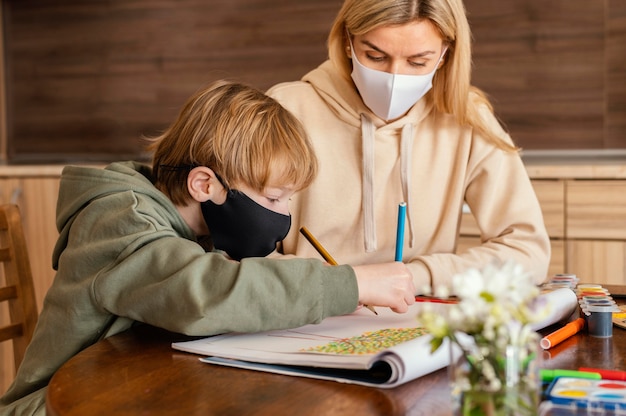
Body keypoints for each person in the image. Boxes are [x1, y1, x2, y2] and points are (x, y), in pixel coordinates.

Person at [0, 80, 415, 415]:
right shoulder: (121, 221)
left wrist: (309, 292)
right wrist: (348, 284)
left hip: (135, 390)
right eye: (273, 199)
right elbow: (203, 292)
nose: (283, 215)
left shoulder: (195, 226)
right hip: (52, 406)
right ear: (205, 185)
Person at [267, 0, 551, 292]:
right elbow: (234, 257)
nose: (394, 77)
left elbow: (528, 253)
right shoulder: (285, 111)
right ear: (347, 42)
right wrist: (341, 285)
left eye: (418, 62)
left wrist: (417, 277)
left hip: (419, 316)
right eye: (375, 56)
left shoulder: (466, 118)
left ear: (444, 55)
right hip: (306, 319)